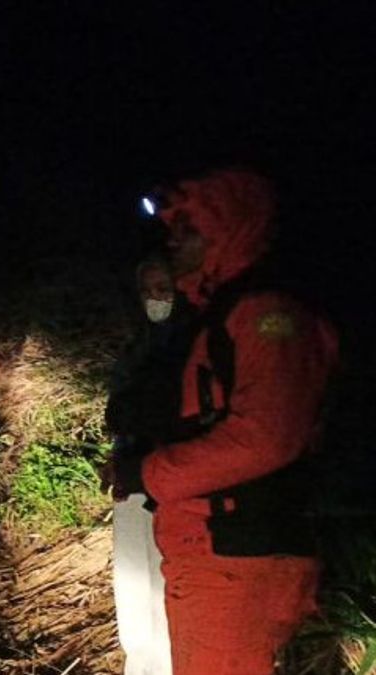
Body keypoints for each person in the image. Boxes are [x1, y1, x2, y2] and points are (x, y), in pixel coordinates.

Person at [115, 168, 339, 675]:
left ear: (227, 230)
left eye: (188, 229)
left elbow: (267, 437)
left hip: (239, 555)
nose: (173, 241)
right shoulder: (219, 315)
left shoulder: (267, 316)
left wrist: (147, 473)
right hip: (214, 549)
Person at [103, 256, 193, 675]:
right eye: (149, 291)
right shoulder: (136, 345)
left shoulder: (193, 344)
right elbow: (121, 411)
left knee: (164, 579)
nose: (158, 299)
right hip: (131, 473)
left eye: (165, 288)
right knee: (133, 578)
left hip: (170, 481)